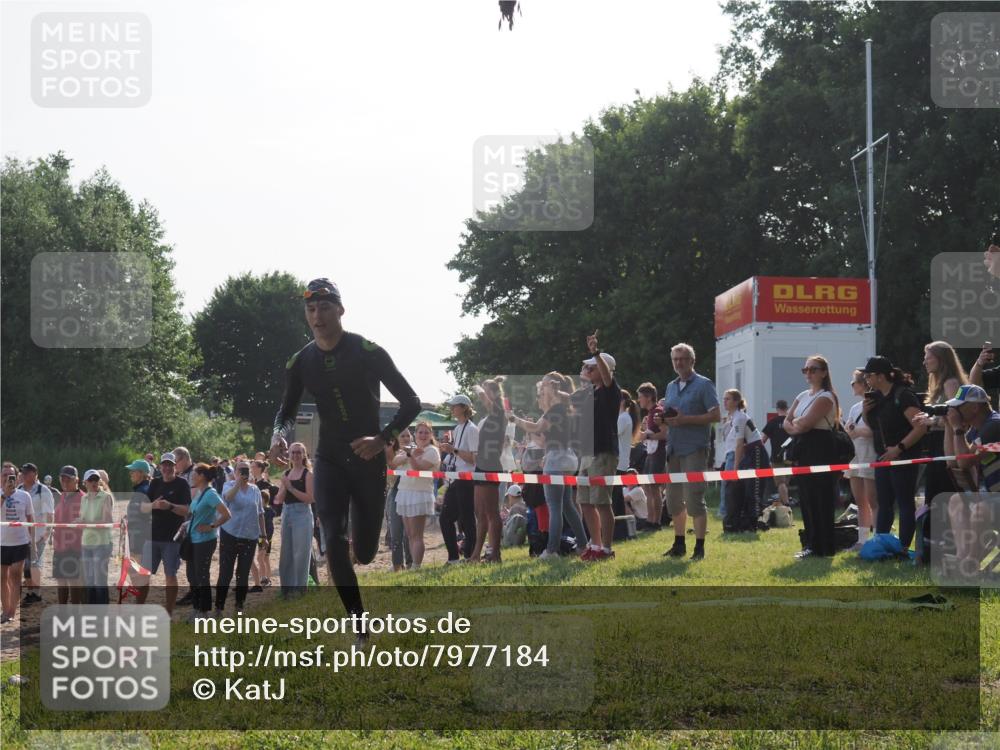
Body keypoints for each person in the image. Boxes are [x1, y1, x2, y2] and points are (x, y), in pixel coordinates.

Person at [270, 279, 420, 634]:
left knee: (365, 553)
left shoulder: (367, 351)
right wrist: (278, 435)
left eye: (324, 308)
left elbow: (411, 402)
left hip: (368, 460)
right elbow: (286, 411)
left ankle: (358, 536)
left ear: (340, 310)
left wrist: (382, 439)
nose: (317, 316)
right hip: (329, 459)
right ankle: (358, 622)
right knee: (333, 539)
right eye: (310, 309)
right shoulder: (301, 361)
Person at [513, 373, 589, 559]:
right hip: (568, 459)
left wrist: (515, 419)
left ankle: (551, 550)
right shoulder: (564, 408)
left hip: (556, 460)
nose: (541, 390)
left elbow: (536, 428)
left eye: (544, 386)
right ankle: (582, 545)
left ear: (552, 388)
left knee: (555, 507)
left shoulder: (555, 409)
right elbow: (545, 438)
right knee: (568, 506)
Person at [862, 356, 928, 551]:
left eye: (869, 375)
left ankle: (904, 548)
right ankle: (881, 544)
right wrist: (865, 412)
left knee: (905, 502)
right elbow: (875, 427)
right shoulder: (876, 397)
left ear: (881, 376)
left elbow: (920, 427)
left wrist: (898, 448)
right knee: (884, 503)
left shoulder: (904, 395)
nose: (866, 379)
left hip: (904, 457)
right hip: (883, 458)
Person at [662, 343, 721, 560]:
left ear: (692, 361)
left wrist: (686, 419)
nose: (679, 363)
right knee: (673, 500)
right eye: (675, 359)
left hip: (694, 449)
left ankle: (699, 547)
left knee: (694, 498)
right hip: (673, 448)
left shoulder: (704, 384)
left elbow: (716, 416)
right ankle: (679, 544)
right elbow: (671, 416)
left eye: (683, 359)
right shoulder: (670, 386)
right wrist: (662, 419)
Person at [938, 384, 1000, 577]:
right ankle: (962, 557)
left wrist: (957, 428)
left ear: (974, 407)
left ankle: (970, 565)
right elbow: (952, 461)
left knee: (981, 509)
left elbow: (964, 462)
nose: (954, 411)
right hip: (994, 495)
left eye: (959, 406)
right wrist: (949, 427)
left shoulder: (994, 426)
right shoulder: (977, 429)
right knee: (957, 500)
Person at [783, 355, 841, 559]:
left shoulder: (826, 396)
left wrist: (797, 423)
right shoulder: (802, 395)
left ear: (824, 373)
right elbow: (786, 422)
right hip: (803, 447)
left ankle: (823, 546)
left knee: (821, 498)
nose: (808, 373)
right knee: (806, 498)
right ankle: (810, 544)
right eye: (805, 370)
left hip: (820, 448)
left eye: (813, 369)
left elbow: (807, 424)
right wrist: (796, 425)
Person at [574, 333, 622, 561]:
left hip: (603, 452)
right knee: (584, 501)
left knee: (602, 502)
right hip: (587, 453)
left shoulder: (611, 390)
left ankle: (607, 549)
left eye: (591, 368)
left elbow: (607, 377)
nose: (587, 370)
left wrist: (596, 353)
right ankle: (595, 544)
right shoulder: (590, 393)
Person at [136, 452, 192, 615]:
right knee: (143, 575)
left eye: (170, 465)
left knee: (170, 575)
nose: (167, 468)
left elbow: (187, 510)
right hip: (152, 536)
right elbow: (142, 508)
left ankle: (168, 611)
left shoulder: (182, 484)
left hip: (172, 538)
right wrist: (153, 505)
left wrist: (170, 506)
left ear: (175, 466)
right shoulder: (155, 483)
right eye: (164, 465)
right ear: (160, 467)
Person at [920, 341, 968, 514]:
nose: (924, 362)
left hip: (947, 443)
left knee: (942, 493)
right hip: (937, 443)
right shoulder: (938, 384)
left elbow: (956, 417)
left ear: (941, 359)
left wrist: (931, 421)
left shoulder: (951, 383)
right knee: (934, 496)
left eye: (928, 358)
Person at [216, 461, 265, 614]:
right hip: (229, 533)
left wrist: (263, 535)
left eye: (246, 470)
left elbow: (260, 513)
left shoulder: (255, 490)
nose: (243, 472)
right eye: (240, 469)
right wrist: (238, 483)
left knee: (243, 573)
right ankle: (219, 607)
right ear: (235, 471)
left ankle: (239, 605)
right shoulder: (228, 485)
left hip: (249, 536)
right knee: (226, 572)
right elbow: (227, 498)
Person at [721, 390, 770, 533]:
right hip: (748, 454)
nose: (725, 402)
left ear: (736, 401)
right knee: (741, 490)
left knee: (753, 490)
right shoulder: (733, 418)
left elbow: (739, 445)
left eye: (728, 399)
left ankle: (751, 524)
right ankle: (739, 523)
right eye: (724, 399)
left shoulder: (740, 418)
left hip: (756, 453)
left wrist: (735, 470)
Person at [470, 378, 508, 562]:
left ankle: (495, 553)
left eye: (486, 391)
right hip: (481, 465)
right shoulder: (489, 416)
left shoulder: (499, 411)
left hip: (491, 465)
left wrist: (477, 387)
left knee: (492, 512)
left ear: (493, 393)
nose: (483, 395)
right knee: (480, 513)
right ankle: (476, 554)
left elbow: (485, 399)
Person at [392, 422, 440, 569]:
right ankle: (414, 565)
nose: (423, 435)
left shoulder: (432, 451)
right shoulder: (411, 448)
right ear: (415, 434)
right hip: (404, 492)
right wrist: (410, 454)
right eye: (420, 432)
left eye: (426, 432)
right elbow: (394, 462)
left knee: (416, 534)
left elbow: (418, 468)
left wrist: (409, 455)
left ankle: (416, 566)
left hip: (420, 494)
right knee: (410, 534)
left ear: (431, 435)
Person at [187, 463, 230, 621]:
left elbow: (226, 514)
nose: (192, 476)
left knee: (201, 575)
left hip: (205, 541)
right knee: (192, 575)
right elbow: (196, 515)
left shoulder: (211, 494)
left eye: (194, 473)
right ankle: (196, 607)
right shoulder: (199, 492)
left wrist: (211, 526)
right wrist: (186, 525)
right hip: (192, 539)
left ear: (202, 476)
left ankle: (203, 611)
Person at [438, 395, 479, 563]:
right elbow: (457, 455)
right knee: (446, 518)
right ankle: (454, 557)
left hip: (467, 479)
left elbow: (474, 459)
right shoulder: (457, 428)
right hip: (456, 478)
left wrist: (453, 450)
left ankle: (469, 555)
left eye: (454, 406)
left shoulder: (472, 429)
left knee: (466, 518)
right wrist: (449, 452)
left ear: (463, 408)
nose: (451, 408)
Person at [273, 442, 315, 597]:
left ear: (303, 455)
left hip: (302, 514)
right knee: (286, 553)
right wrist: (284, 487)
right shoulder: (286, 474)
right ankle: (286, 589)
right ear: (289, 455)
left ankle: (300, 589)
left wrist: (290, 487)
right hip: (287, 513)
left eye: (298, 452)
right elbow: (278, 499)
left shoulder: (308, 474)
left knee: (301, 553)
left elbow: (310, 499)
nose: (296, 455)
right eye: (293, 452)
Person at [843, 370, 878, 550]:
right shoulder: (855, 408)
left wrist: (856, 431)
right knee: (860, 500)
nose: (852, 386)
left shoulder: (876, 404)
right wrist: (853, 431)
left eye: (853, 382)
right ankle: (862, 541)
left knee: (873, 500)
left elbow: (874, 432)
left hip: (870, 454)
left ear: (863, 384)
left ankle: (877, 540)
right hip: (855, 454)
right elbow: (848, 429)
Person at [1, 467, 34, 624]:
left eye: (11, 475)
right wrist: (4, 495)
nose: (8, 478)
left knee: (15, 575)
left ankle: (11, 612)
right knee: (2, 577)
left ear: (17, 477)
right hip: (2, 542)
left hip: (20, 541)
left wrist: (32, 540)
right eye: (5, 475)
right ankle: (5, 610)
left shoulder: (24, 495)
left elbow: (30, 518)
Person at [18, 463, 54, 606]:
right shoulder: (19, 489)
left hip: (39, 534)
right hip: (22, 535)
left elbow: (50, 514)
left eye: (26, 472)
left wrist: (47, 533)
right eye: (22, 472)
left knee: (34, 564)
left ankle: (36, 593)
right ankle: (31, 592)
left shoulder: (43, 490)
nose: (23, 475)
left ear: (34, 474)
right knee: (26, 566)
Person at [78, 469, 114, 605]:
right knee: (89, 580)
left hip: (102, 543)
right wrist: (78, 522)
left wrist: (84, 523)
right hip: (86, 542)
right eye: (91, 480)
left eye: (96, 479)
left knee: (99, 581)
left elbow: (107, 521)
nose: (94, 482)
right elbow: (83, 519)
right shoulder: (84, 498)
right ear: (85, 483)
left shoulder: (106, 497)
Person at [51, 466, 84, 605]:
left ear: (76, 480)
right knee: (61, 580)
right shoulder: (62, 496)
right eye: (62, 479)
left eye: (68, 480)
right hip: (60, 544)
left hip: (75, 546)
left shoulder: (83, 498)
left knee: (74, 580)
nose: (64, 482)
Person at [637, 383, 667, 530]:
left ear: (648, 397)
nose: (638, 400)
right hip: (650, 453)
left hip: (658, 453)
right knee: (647, 487)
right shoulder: (650, 413)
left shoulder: (658, 412)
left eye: (640, 397)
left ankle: (656, 522)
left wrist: (647, 435)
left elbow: (665, 434)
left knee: (654, 488)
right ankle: (650, 520)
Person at [384, 430, 413, 571]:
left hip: (411, 491)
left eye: (408, 435)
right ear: (396, 439)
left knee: (409, 532)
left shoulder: (416, 450)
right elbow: (392, 465)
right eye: (402, 436)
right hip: (395, 491)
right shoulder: (393, 452)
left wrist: (409, 453)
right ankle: (397, 563)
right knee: (395, 530)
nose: (406, 438)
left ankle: (411, 562)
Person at [124, 459, 153, 589]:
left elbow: (145, 514)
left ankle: (139, 598)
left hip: (140, 536)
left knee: (137, 570)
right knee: (136, 570)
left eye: (133, 471)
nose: (130, 473)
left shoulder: (143, 490)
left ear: (141, 473)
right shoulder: (142, 489)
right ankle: (139, 597)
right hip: (138, 534)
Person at [251, 460, 278, 587]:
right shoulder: (252, 483)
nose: (251, 469)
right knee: (263, 557)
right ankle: (266, 578)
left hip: (265, 530)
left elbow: (271, 504)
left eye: (253, 467)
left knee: (262, 557)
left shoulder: (265, 485)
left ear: (259, 468)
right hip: (256, 528)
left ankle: (265, 579)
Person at [761, 400, 791, 506]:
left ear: (777, 409)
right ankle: (783, 505)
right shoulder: (791, 422)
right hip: (790, 457)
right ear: (787, 408)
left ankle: (786, 504)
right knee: (785, 483)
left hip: (776, 457)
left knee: (780, 483)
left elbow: (763, 440)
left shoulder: (772, 422)